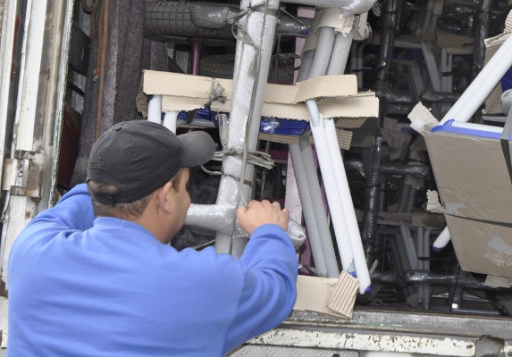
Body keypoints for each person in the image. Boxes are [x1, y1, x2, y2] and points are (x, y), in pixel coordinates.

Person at [8, 120, 299, 356]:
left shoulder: (31, 250)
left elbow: (80, 200)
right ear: (164, 198)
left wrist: (119, 176)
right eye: (186, 187)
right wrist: (268, 231)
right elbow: (277, 288)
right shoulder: (204, 283)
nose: (188, 198)